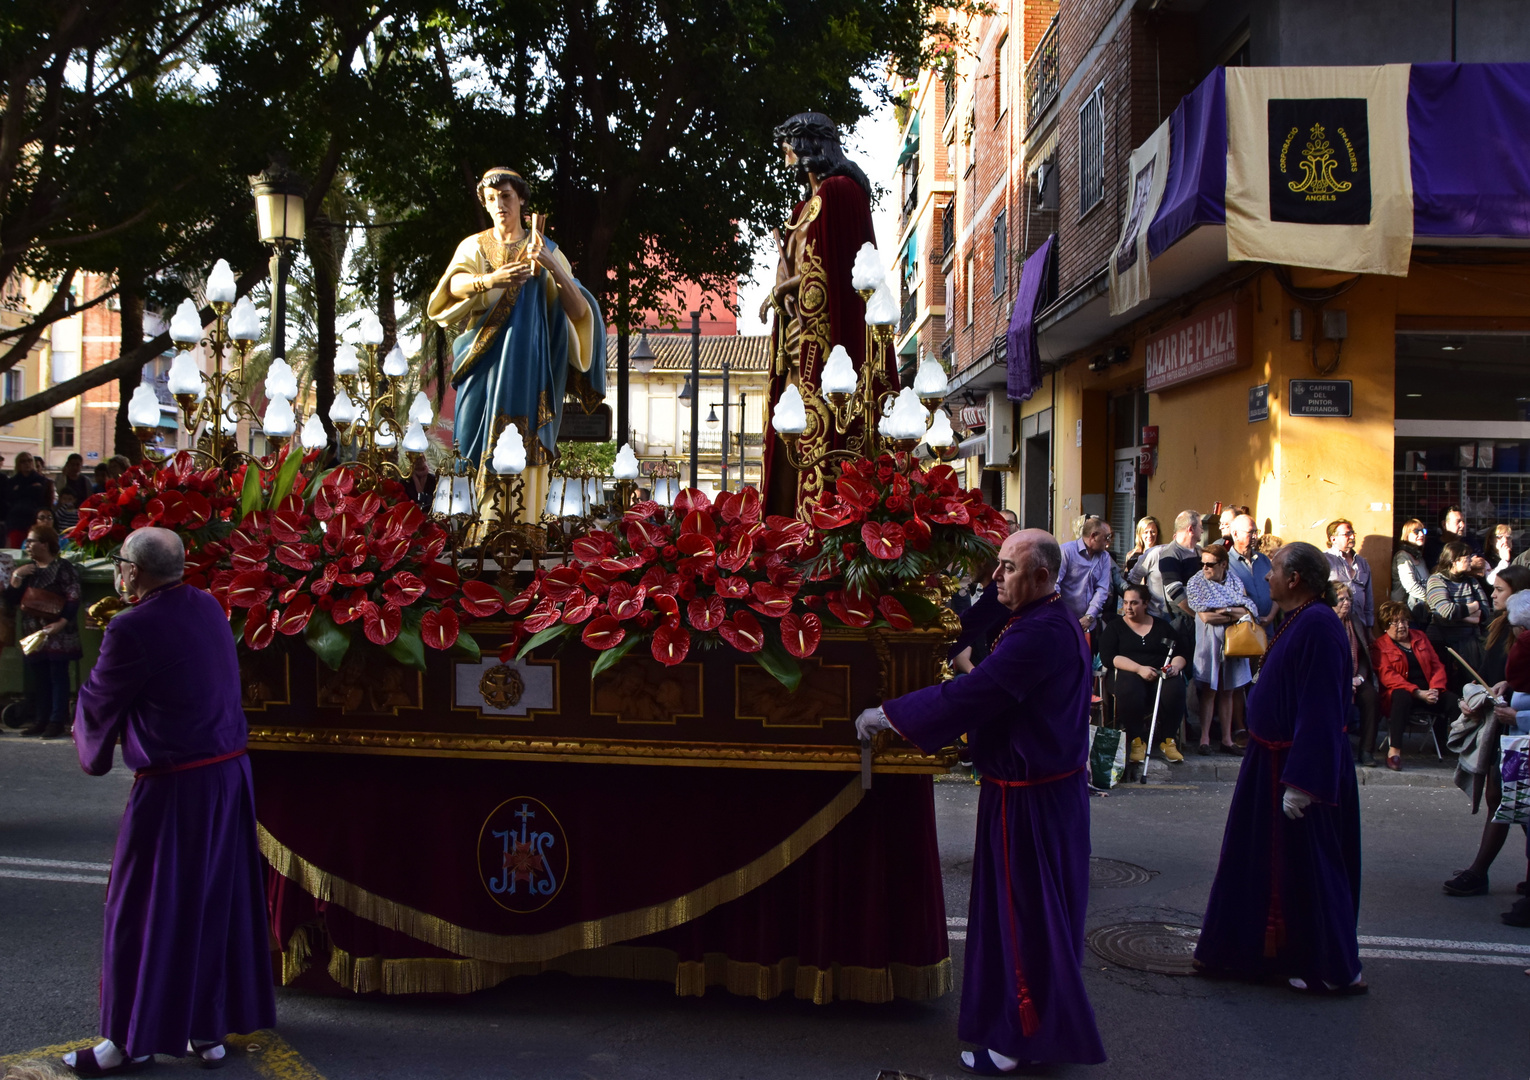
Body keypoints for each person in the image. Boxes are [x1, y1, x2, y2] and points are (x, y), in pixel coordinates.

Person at [854, 530, 1105, 1072]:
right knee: (1038, 918)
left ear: (1041, 578)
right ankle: (1035, 1029)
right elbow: (988, 622)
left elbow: (977, 692)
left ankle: (1019, 1040)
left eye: (1007, 569)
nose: (995, 578)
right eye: (996, 565)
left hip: (1029, 804)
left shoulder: (1038, 633)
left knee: (1022, 920)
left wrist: (891, 714)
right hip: (1043, 796)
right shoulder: (1048, 616)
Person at [64, 527, 275, 1074]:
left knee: (139, 909)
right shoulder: (208, 605)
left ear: (131, 572)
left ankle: (123, 1043)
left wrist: (91, 741)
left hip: (177, 786)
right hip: (228, 779)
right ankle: (207, 1032)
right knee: (211, 906)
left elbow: (99, 700)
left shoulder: (131, 627)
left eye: (119, 563)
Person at [1194, 542, 1363, 995]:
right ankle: (1258, 954)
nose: (1265, 577)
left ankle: (1328, 965)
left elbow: (1323, 708)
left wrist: (1303, 783)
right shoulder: (1301, 618)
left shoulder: (1320, 626)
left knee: (1310, 868)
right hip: (1271, 763)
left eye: (1275, 571)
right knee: (1266, 865)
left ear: (1295, 580)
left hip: (1293, 769)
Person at [427, 167, 605, 524]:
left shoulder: (548, 249)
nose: (499, 206)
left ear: (521, 199)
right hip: (483, 364)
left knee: (529, 441)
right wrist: (489, 280)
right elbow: (450, 287)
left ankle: (526, 526)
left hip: (532, 372)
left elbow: (580, 311)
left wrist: (552, 265)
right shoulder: (475, 246)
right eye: (491, 199)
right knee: (471, 440)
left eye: (505, 197)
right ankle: (473, 527)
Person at [760, 112, 884, 515]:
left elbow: (837, 271)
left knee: (824, 430)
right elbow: (796, 266)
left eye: (789, 151)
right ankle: (784, 530)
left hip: (828, 344)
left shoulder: (840, 192)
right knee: (790, 438)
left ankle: (820, 524)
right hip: (794, 339)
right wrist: (780, 288)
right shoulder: (802, 209)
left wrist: (787, 287)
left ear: (809, 145)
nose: (786, 162)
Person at [1440, 571, 1530, 898]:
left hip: (1518, 729)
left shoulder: (1521, 633)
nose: (1493, 595)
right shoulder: (1502, 628)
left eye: (1500, 589)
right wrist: (1479, 696)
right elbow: (1499, 676)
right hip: (1505, 725)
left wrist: (1515, 706)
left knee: (1507, 799)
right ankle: (1480, 872)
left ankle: (1479, 872)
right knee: (1509, 800)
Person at [1099, 583, 1189, 770]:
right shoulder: (1115, 627)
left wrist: (1175, 667)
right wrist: (1139, 669)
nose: (1128, 607)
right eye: (1125, 603)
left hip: (1160, 672)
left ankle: (1168, 739)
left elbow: (1181, 652)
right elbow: (1109, 657)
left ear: (1146, 603)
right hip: (1130, 671)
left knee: (1174, 687)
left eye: (1134, 603)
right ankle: (1137, 740)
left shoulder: (1163, 627)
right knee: (1129, 686)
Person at [7, 525, 80, 739]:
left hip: (57, 631)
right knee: (40, 676)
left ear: (45, 544)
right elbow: (12, 600)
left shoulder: (63, 568)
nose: (27, 546)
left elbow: (73, 595)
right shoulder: (28, 570)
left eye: (32, 541)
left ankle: (56, 720)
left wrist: (63, 621)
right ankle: (41, 719)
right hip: (34, 632)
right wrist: (17, 577)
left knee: (58, 674)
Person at [1372, 599, 1457, 771]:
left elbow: (1436, 665)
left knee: (1453, 700)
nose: (1401, 625)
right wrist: (1417, 692)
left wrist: (1435, 689)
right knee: (1400, 696)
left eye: (1404, 620)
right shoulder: (1379, 646)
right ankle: (1394, 752)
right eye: (1394, 622)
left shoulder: (1420, 637)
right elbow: (1388, 676)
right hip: (1402, 695)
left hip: (1428, 691)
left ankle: (1460, 747)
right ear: (1385, 626)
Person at [1186, 545, 1254, 756]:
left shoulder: (1235, 581)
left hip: (1234, 639)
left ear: (1223, 564)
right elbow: (1204, 616)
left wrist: (1221, 610)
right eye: (1203, 563)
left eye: (1210, 564)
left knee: (1228, 690)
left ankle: (1227, 739)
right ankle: (1204, 739)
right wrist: (1233, 613)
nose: (1205, 568)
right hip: (1210, 640)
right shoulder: (1196, 582)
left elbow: (1248, 608)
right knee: (1210, 689)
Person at [1426, 540, 1492, 688]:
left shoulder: (1472, 581)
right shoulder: (1436, 580)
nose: (1471, 560)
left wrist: (1459, 614)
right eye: (1466, 557)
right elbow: (1446, 610)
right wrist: (1473, 607)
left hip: (1469, 643)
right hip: (1442, 642)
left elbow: (1486, 611)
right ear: (1454, 561)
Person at [1334, 583, 1380, 767]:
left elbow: (1363, 655)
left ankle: (1366, 751)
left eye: (1348, 599)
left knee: (1372, 698)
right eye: (1341, 599)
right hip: (1333, 680)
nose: (1346, 603)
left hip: (1355, 676)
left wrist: (1359, 678)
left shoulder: (1355, 621)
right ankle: (1337, 750)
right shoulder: (1326, 621)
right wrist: (1344, 681)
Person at [1128, 510, 1202, 621]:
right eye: (1200, 527)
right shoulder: (1162, 554)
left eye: (1153, 531)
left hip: (1193, 614)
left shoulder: (1200, 552)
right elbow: (1175, 591)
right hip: (1167, 615)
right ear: (1191, 529)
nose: (1202, 530)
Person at [1056, 517, 1113, 635]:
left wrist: (1089, 616)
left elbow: (1102, 589)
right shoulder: (1067, 551)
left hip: (1088, 624)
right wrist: (1062, 614)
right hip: (1063, 621)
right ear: (1093, 536)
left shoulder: (1105, 557)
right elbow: (1054, 585)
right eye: (1106, 537)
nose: (1109, 542)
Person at [1324, 519, 1373, 634]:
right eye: (1347, 534)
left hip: (1359, 625)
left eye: (1352, 533)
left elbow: (1369, 598)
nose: (1352, 537)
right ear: (1333, 539)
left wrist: (1369, 626)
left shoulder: (1362, 563)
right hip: (1335, 623)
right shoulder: (1325, 560)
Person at [1226, 514, 1274, 626]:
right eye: (1250, 532)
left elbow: (1277, 589)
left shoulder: (1264, 560)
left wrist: (1270, 617)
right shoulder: (1225, 564)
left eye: (1256, 532)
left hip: (1268, 628)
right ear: (1235, 534)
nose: (1255, 536)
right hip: (1242, 629)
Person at [6, 453, 54, 547]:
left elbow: (48, 503)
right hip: (17, 522)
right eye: (23, 461)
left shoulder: (44, 481)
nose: (27, 463)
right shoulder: (11, 482)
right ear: (18, 464)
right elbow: (8, 501)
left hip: (36, 522)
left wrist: (20, 490)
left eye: (29, 460)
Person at [1391, 518, 1430, 628]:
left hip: (1420, 613)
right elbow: (1410, 585)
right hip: (1405, 614)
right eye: (1416, 531)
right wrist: (1431, 599)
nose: (1421, 534)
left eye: (1423, 531)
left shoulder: (1419, 558)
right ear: (1407, 535)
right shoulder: (1402, 556)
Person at [1425, 505, 1483, 569]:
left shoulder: (1470, 542)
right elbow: (1435, 571)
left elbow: (1481, 566)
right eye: (1458, 521)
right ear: (1444, 524)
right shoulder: (1433, 546)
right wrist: (1468, 565)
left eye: (1463, 521)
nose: (1462, 525)